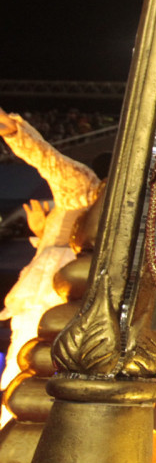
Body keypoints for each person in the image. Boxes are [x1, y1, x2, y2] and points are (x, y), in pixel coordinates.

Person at [0, 107, 101, 418]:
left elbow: (48, 158)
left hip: (58, 283)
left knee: (34, 356)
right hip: (58, 277)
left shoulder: (80, 182)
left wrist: (13, 131)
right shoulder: (82, 200)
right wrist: (44, 231)